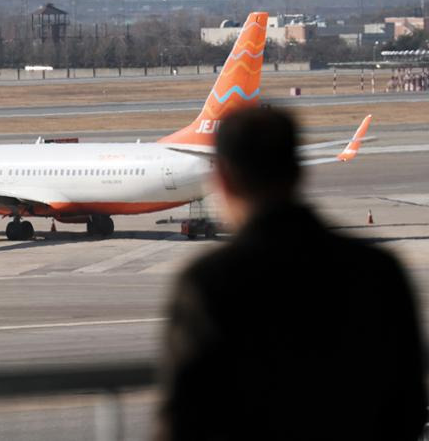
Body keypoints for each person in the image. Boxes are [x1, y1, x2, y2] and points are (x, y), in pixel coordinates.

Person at [157, 108, 427, 441]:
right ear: (298, 172)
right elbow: (408, 406)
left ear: (223, 180)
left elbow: (184, 418)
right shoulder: (379, 270)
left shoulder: (209, 283)